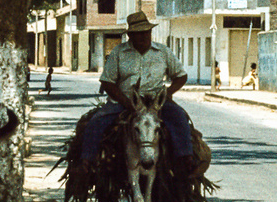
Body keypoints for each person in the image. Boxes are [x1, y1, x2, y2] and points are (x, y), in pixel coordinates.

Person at [81, 11, 196, 168]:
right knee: (96, 122)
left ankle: (185, 159)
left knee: (179, 117)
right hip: (124, 101)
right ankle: (86, 162)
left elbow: (180, 76)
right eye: (139, 33)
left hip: (156, 101)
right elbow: (107, 82)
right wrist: (126, 102)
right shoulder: (119, 52)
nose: (144, 37)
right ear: (131, 36)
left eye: (146, 32)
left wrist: (167, 94)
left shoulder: (163, 52)